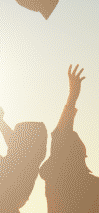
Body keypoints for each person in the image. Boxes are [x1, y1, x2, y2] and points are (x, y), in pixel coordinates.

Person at [39, 65, 99, 212]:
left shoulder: (54, 180)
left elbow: (61, 134)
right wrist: (72, 96)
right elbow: (61, 133)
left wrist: (72, 96)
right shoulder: (90, 185)